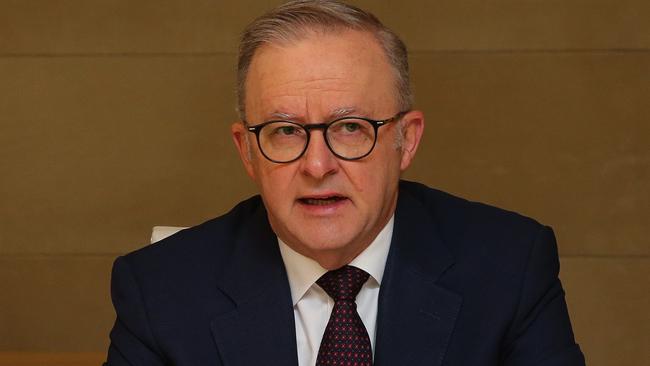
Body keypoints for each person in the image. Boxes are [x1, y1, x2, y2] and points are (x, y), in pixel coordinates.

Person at [105, 1, 585, 365]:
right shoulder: (159, 291)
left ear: (406, 140)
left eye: (351, 127)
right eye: (286, 131)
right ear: (247, 151)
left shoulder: (509, 266)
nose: (317, 165)